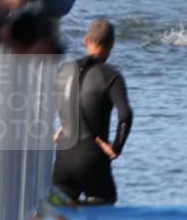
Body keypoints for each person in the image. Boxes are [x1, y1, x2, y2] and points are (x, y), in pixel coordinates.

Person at [52, 18, 133, 205]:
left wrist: (60, 127)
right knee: (104, 203)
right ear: (112, 44)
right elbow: (125, 115)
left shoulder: (63, 70)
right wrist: (116, 148)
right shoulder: (111, 75)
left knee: (59, 217)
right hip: (93, 162)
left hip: (63, 161)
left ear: (85, 40)